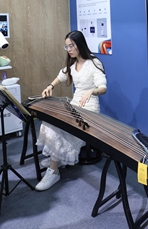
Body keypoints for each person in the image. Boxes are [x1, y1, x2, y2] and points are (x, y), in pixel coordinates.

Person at [35, 30, 107, 191]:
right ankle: (57, 158)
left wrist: (92, 91)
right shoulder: (73, 64)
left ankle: (53, 171)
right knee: (49, 124)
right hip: (75, 105)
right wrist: (50, 86)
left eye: (71, 46)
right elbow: (61, 75)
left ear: (80, 45)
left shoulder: (94, 63)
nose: (68, 49)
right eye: (66, 46)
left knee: (60, 131)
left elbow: (103, 88)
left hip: (89, 109)